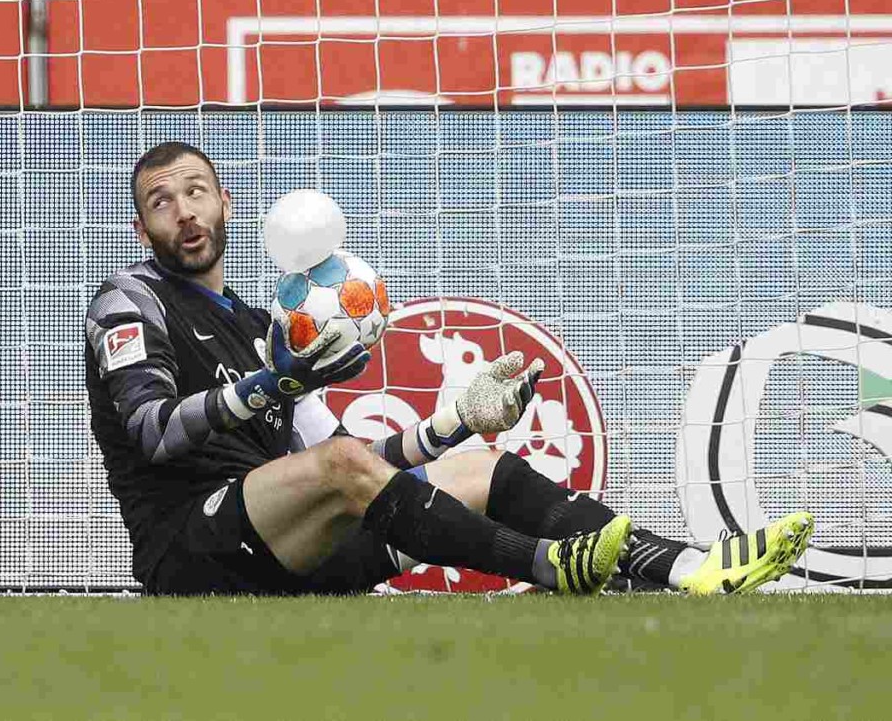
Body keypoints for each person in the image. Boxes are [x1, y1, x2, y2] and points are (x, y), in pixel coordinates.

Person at [85, 140, 814, 597]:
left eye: (195, 191)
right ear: (140, 227)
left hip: (284, 551)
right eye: (160, 201)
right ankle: (550, 563)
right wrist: (274, 384)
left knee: (480, 464)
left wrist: (451, 421)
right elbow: (151, 431)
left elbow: (358, 465)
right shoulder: (129, 300)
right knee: (338, 465)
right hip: (192, 553)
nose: (182, 211)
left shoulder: (260, 326)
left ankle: (690, 567)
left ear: (225, 203)